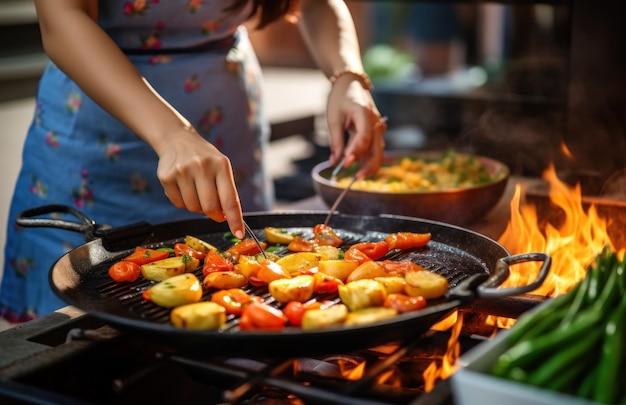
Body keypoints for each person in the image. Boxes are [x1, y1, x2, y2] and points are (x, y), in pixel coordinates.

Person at [0, 0, 386, 323]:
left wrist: (347, 76)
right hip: (95, 139)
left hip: (227, 125)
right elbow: (61, 18)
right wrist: (171, 134)